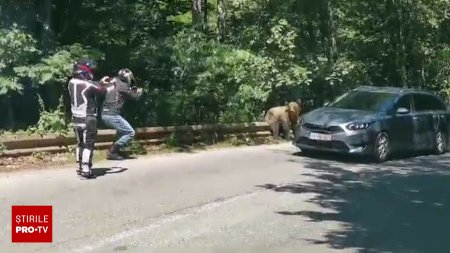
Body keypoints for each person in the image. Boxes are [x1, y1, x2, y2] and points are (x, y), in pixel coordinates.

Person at [68, 59, 109, 179]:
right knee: (88, 145)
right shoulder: (88, 85)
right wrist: (103, 83)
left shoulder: (71, 83)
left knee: (80, 144)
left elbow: (93, 85)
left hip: (75, 118)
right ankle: (86, 169)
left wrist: (99, 82)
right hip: (88, 118)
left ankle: (80, 167)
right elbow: (102, 90)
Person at [100, 68, 143, 160]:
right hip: (112, 114)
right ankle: (112, 152)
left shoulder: (112, 81)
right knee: (130, 132)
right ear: (127, 77)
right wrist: (138, 92)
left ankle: (117, 151)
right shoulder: (123, 85)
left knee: (121, 131)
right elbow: (134, 96)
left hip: (105, 113)